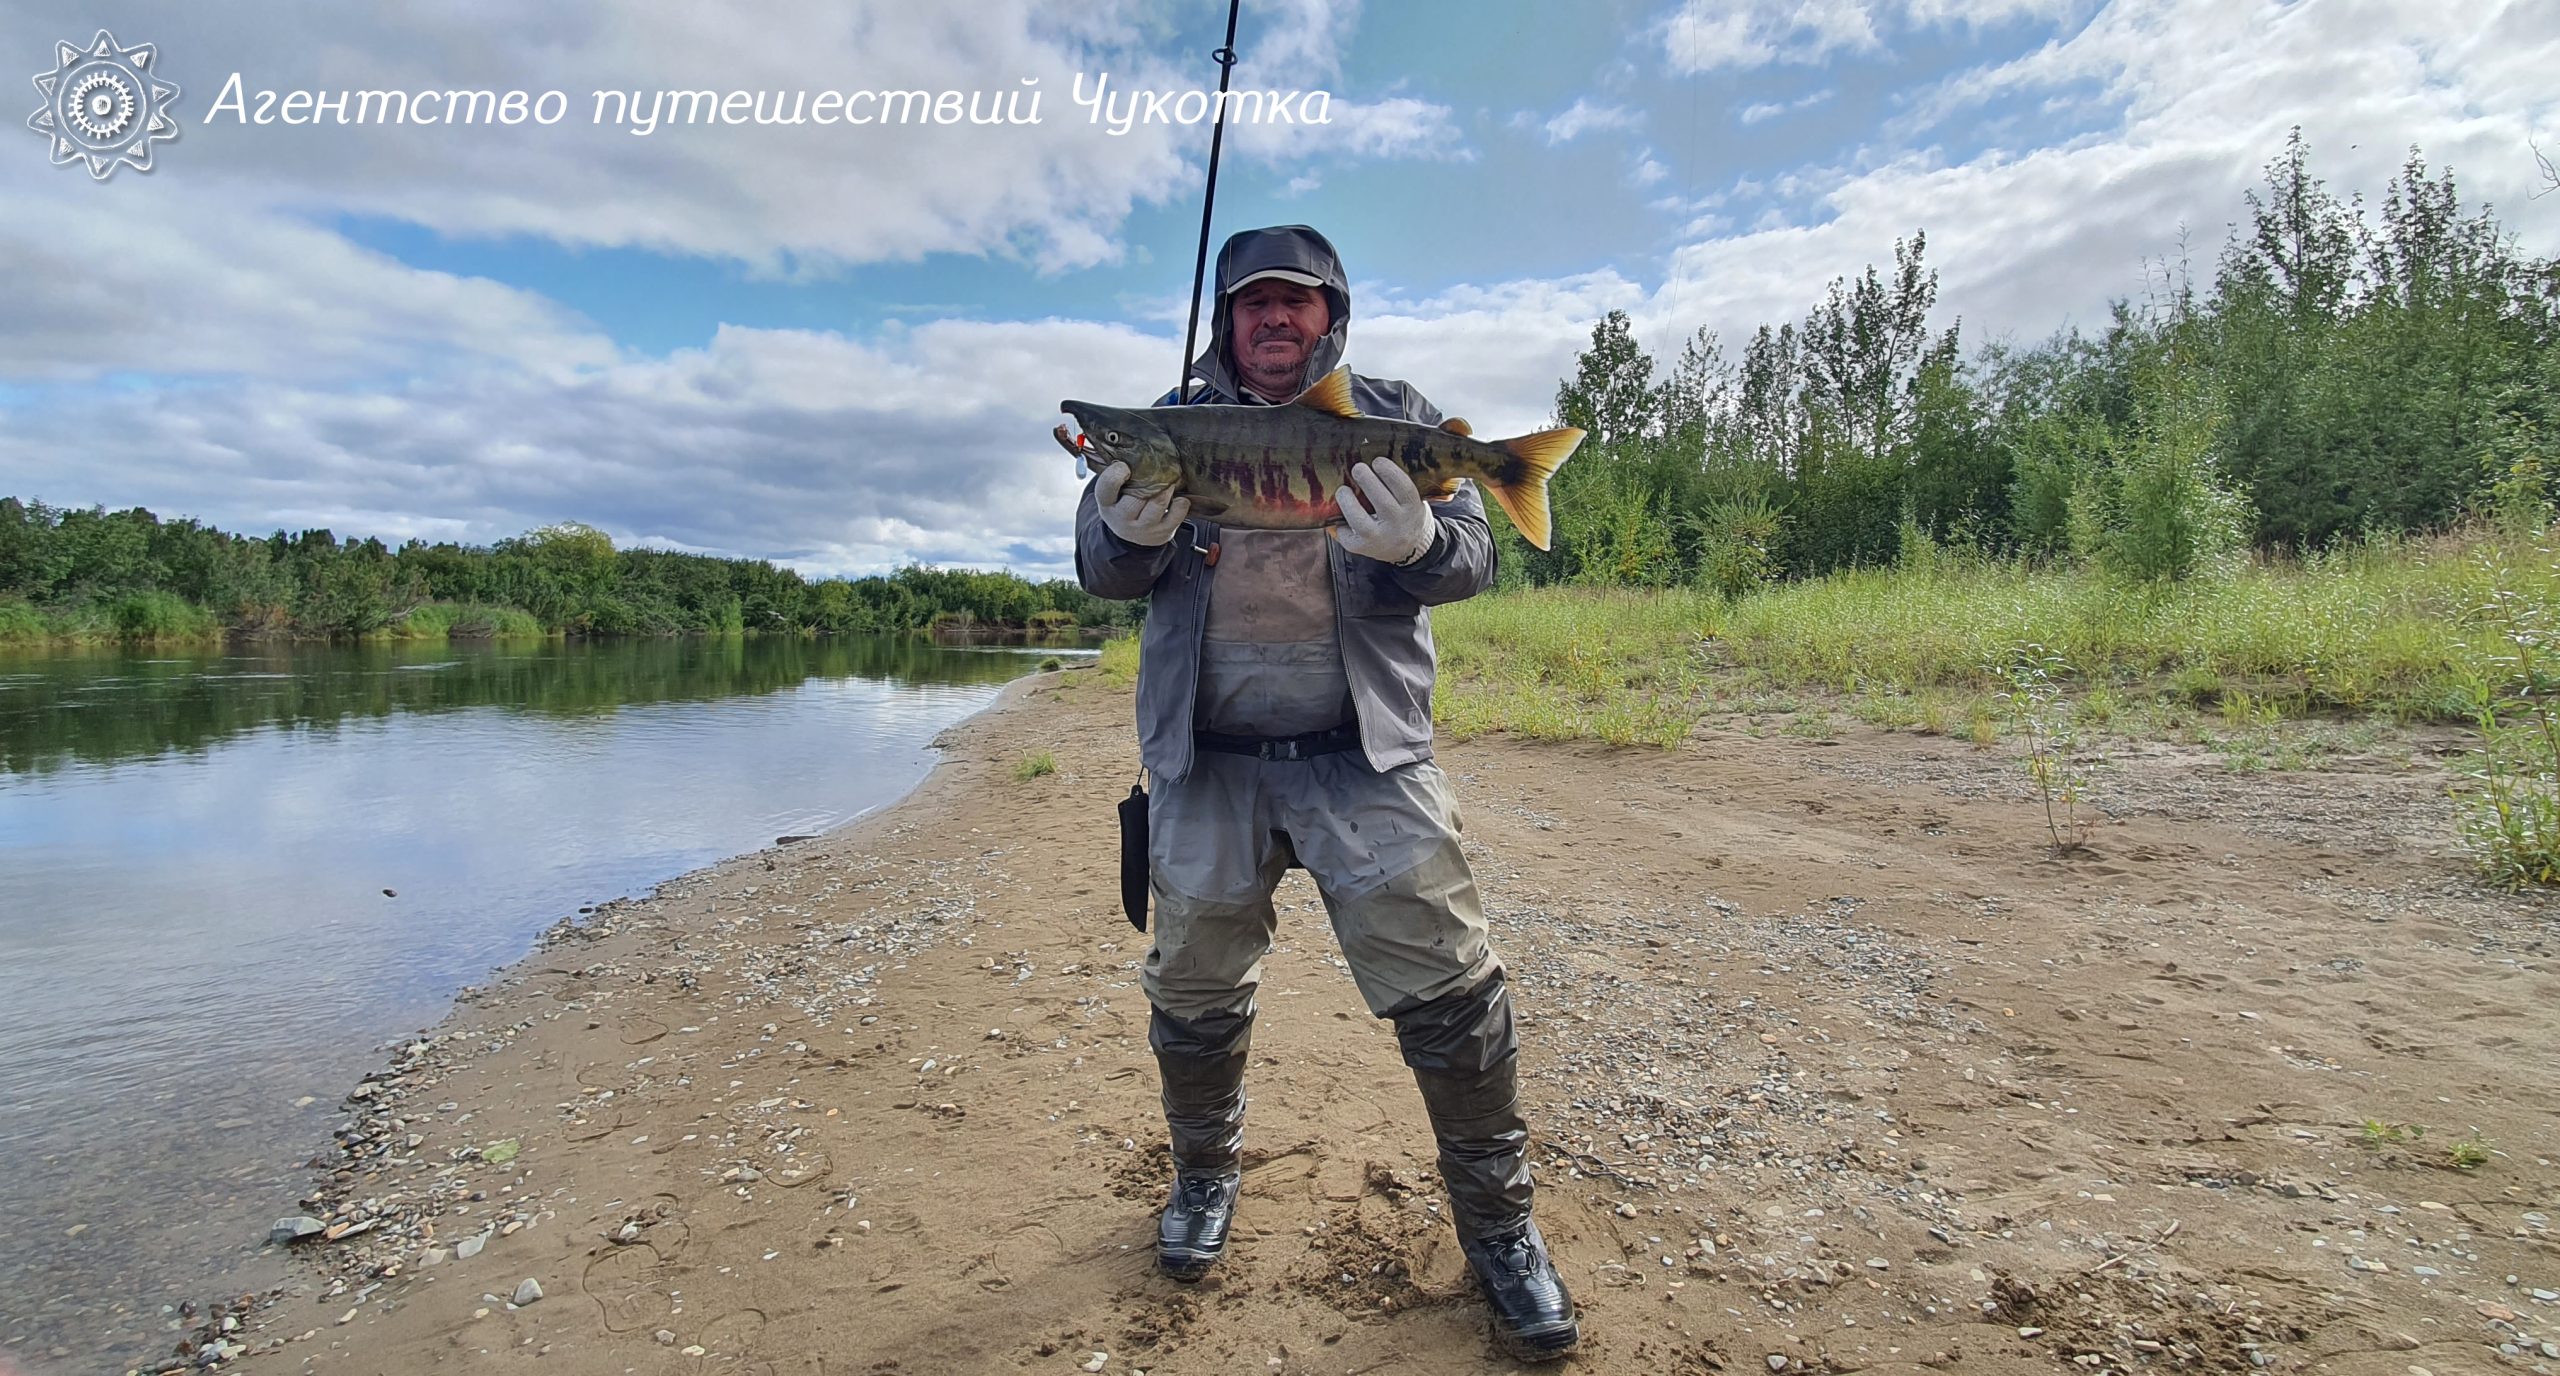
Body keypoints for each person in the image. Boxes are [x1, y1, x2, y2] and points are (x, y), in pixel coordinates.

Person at [1072, 224, 1579, 1360]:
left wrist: (1417, 541)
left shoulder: (1391, 412)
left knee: (1452, 993)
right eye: (1251, 302)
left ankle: (1501, 1230)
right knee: (1193, 992)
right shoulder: (1166, 424)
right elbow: (1101, 571)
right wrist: (1119, 527)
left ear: (1329, 315)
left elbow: (1472, 558)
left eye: (1295, 301)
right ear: (1225, 320)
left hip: (1367, 755)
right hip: (1206, 761)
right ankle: (1204, 1176)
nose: (1273, 318)